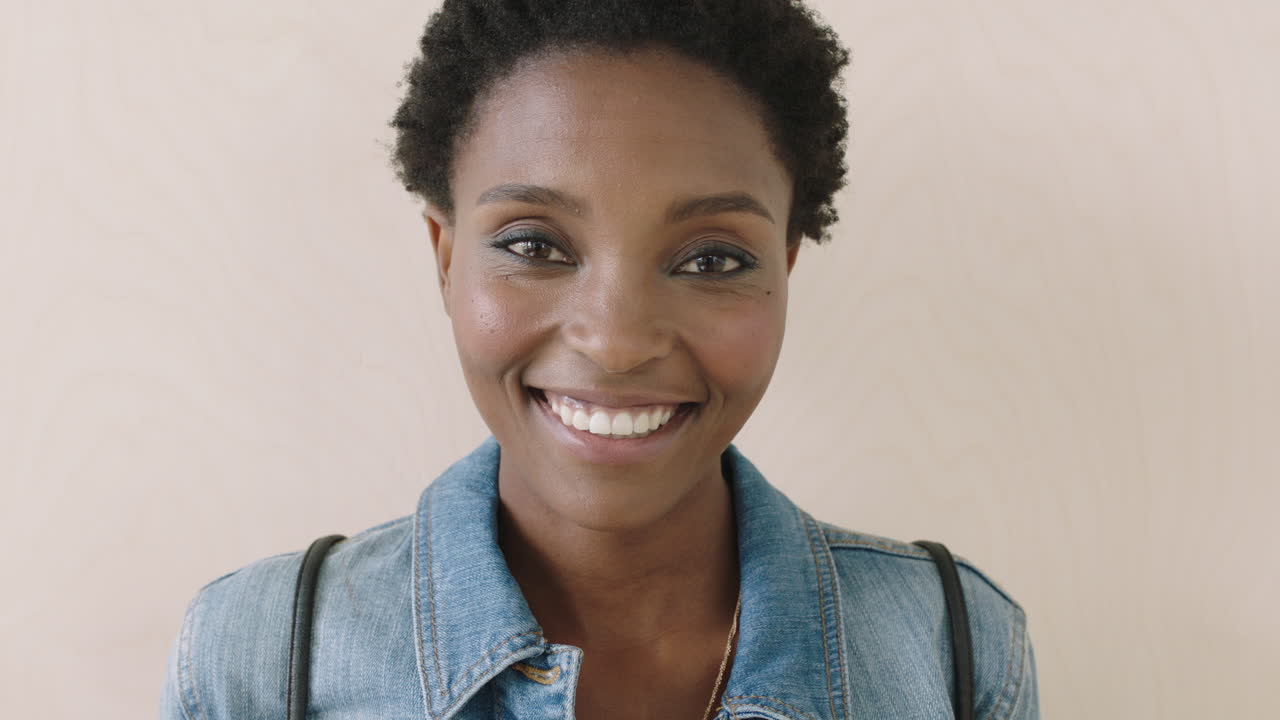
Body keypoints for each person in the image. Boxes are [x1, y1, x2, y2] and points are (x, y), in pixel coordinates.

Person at [160, 1, 1039, 718]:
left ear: (785, 269)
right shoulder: (261, 659)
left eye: (712, 260)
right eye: (536, 244)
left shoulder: (952, 649)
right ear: (444, 257)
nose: (616, 343)